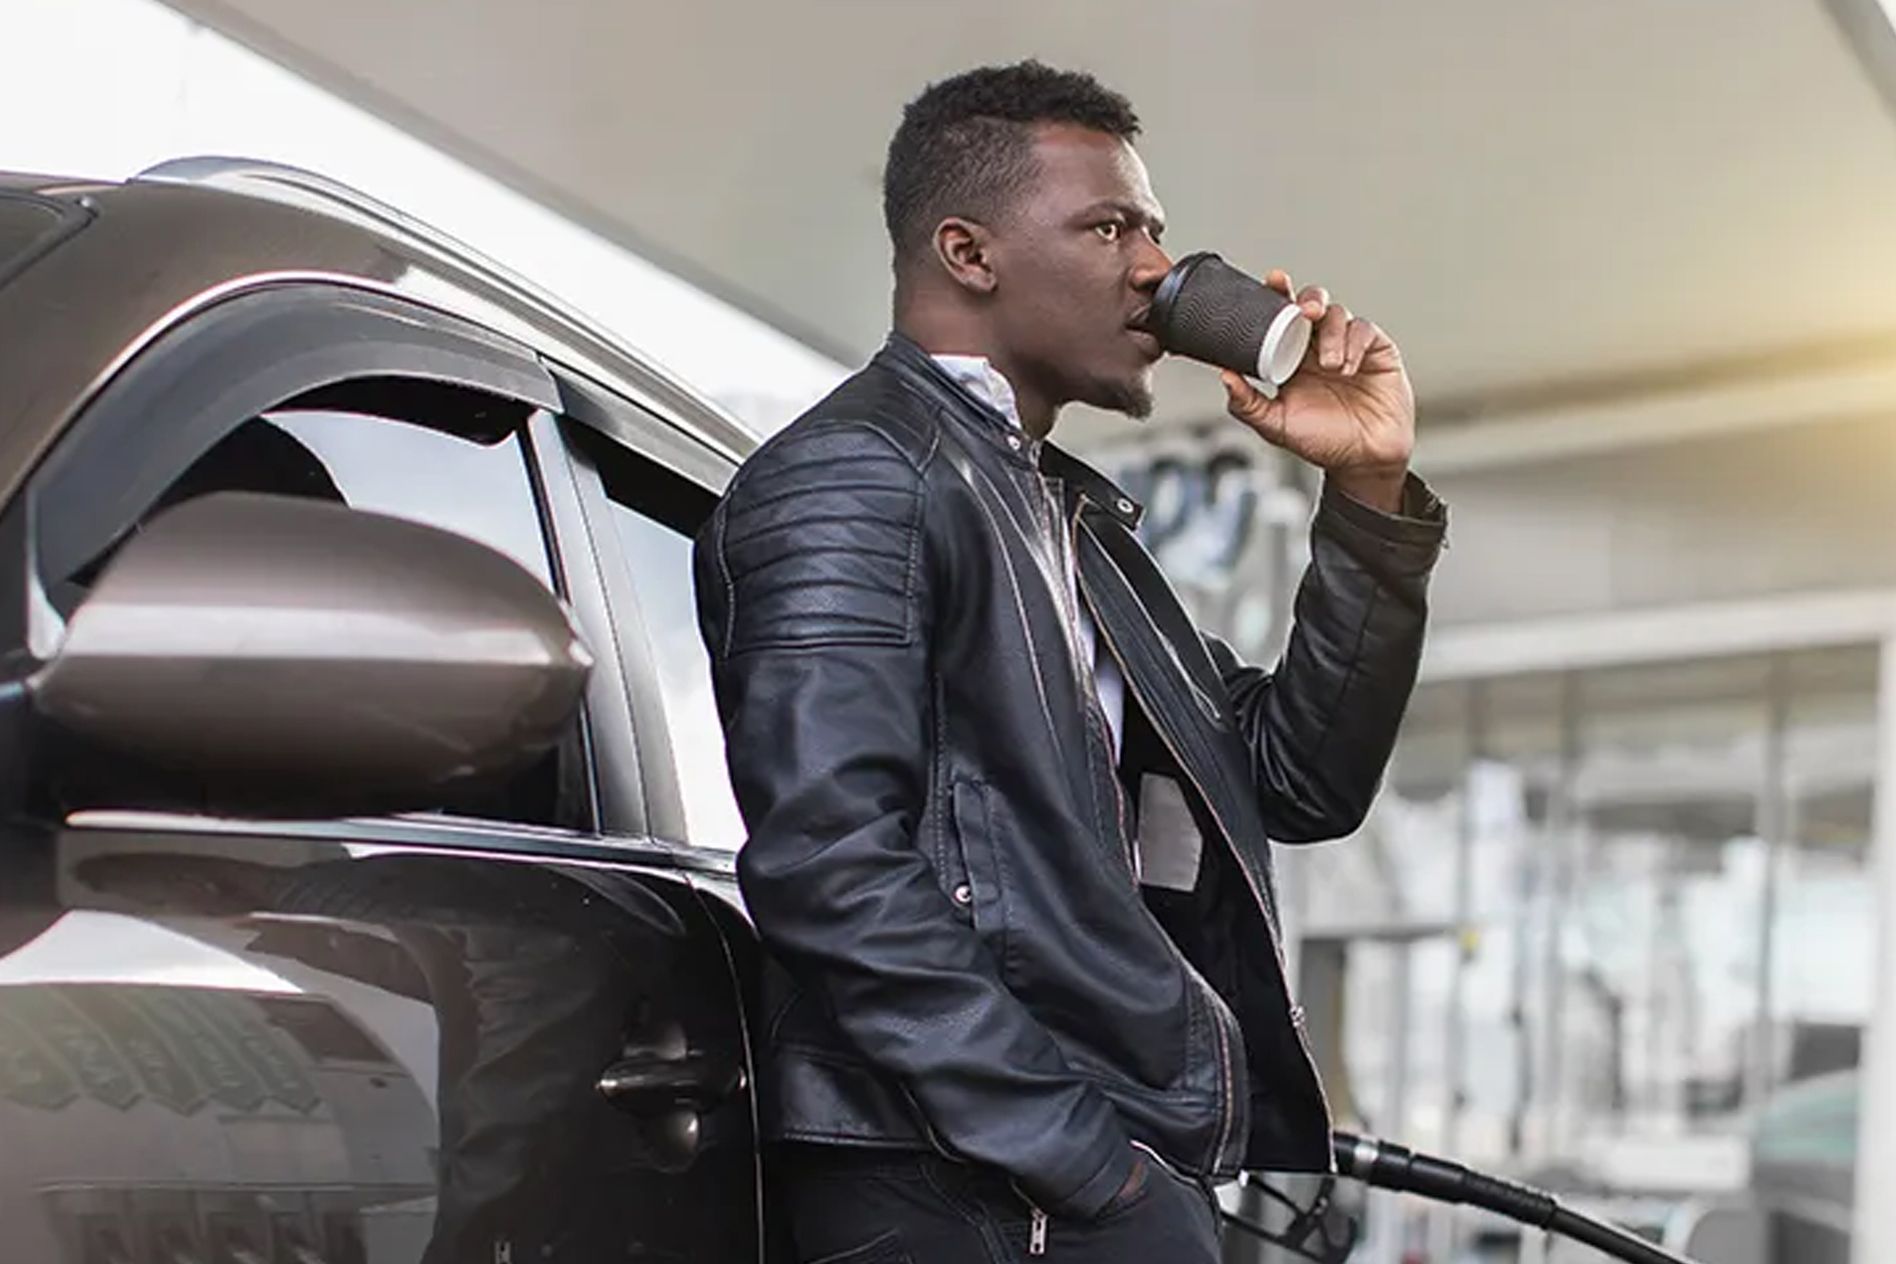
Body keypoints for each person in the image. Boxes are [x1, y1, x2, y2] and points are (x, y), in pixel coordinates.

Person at [694, 60, 1447, 1262]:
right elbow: (831, 861)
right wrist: (1087, 1166)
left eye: (1154, 229)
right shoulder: (855, 478)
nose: (1156, 268)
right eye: (1109, 226)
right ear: (969, 252)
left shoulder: (1073, 528)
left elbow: (1299, 781)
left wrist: (1365, 490)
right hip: (966, 1185)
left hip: (1082, 1171)